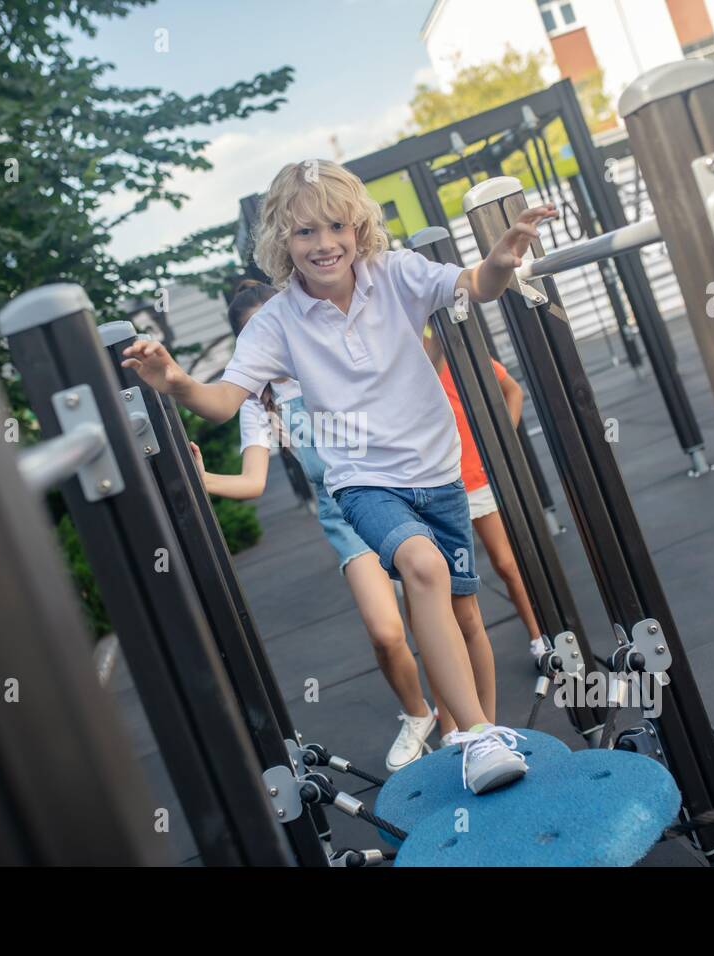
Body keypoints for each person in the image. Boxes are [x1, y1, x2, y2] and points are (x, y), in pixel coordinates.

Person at [123, 159, 556, 794]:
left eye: (334, 227)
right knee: (425, 570)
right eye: (303, 233)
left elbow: (476, 285)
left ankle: (479, 731)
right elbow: (224, 400)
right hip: (363, 481)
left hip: (436, 472)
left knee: (464, 611)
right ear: (281, 242)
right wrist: (175, 382)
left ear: (357, 228)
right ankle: (475, 736)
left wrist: (502, 257)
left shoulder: (397, 273)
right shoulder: (276, 322)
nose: (323, 244)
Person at [190, 280, 440, 772]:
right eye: (257, 333)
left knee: (431, 610)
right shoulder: (258, 402)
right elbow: (253, 481)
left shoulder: (332, 358)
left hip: (395, 489)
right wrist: (202, 479)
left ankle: (455, 725)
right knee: (387, 632)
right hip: (346, 515)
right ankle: (418, 714)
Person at [420, 324, 548, 740]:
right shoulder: (402, 370)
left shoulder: (456, 361)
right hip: (436, 491)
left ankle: (538, 638)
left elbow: (514, 390)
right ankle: (455, 714)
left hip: (475, 480)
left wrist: (500, 443)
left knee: (507, 563)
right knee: (448, 594)